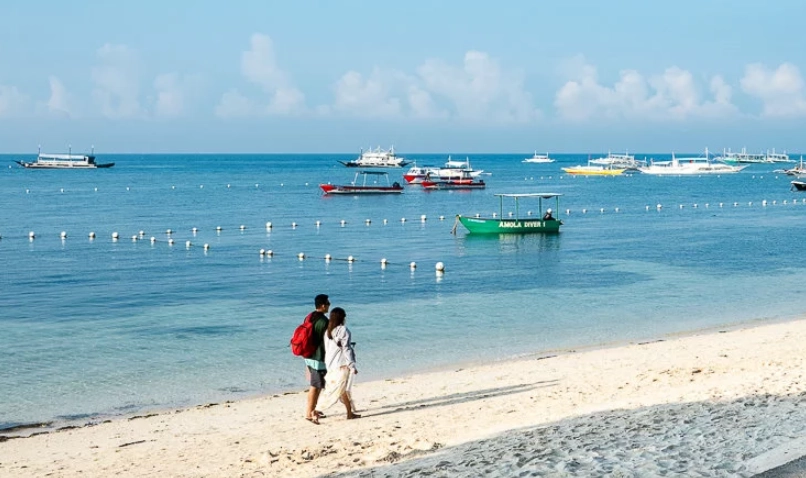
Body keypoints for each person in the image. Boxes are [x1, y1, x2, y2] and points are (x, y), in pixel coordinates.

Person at [318, 307, 360, 419]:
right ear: (342, 317)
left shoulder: (327, 331)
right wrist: (352, 365)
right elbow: (346, 349)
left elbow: (328, 349)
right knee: (337, 391)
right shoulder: (343, 330)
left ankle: (349, 413)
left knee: (340, 390)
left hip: (331, 365)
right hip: (342, 365)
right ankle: (316, 410)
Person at [304, 294, 330, 424]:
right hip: (318, 357)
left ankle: (314, 410)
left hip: (308, 355)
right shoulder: (324, 321)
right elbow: (327, 340)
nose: (329, 305)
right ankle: (309, 413)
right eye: (328, 303)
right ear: (323, 305)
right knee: (315, 386)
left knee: (317, 385)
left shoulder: (310, 316)